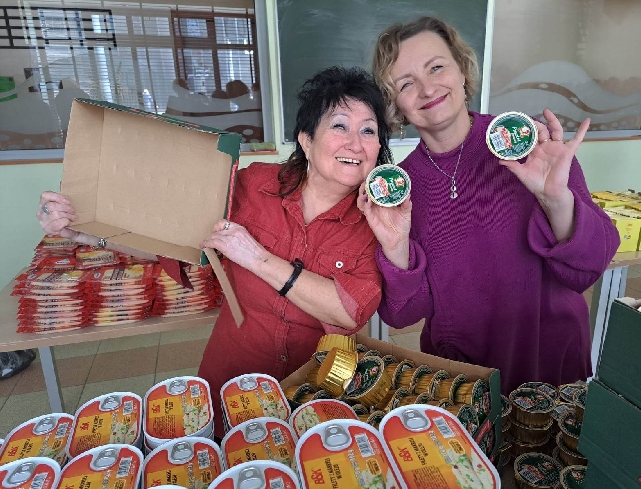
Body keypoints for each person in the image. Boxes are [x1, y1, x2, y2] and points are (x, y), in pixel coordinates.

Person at [37, 66, 392, 437]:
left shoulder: (377, 217)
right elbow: (176, 238)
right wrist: (84, 231)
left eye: (368, 130)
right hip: (235, 369)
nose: (355, 144)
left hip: (318, 383)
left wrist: (257, 258)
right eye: (340, 126)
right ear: (306, 140)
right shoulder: (254, 186)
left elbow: (349, 310)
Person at [360, 17, 620, 394]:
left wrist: (555, 200)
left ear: (462, 70)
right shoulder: (400, 190)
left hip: (551, 368)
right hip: (463, 379)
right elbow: (404, 314)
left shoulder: (525, 145)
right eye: (406, 84)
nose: (427, 88)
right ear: (394, 103)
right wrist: (397, 247)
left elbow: (589, 269)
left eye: (437, 67)